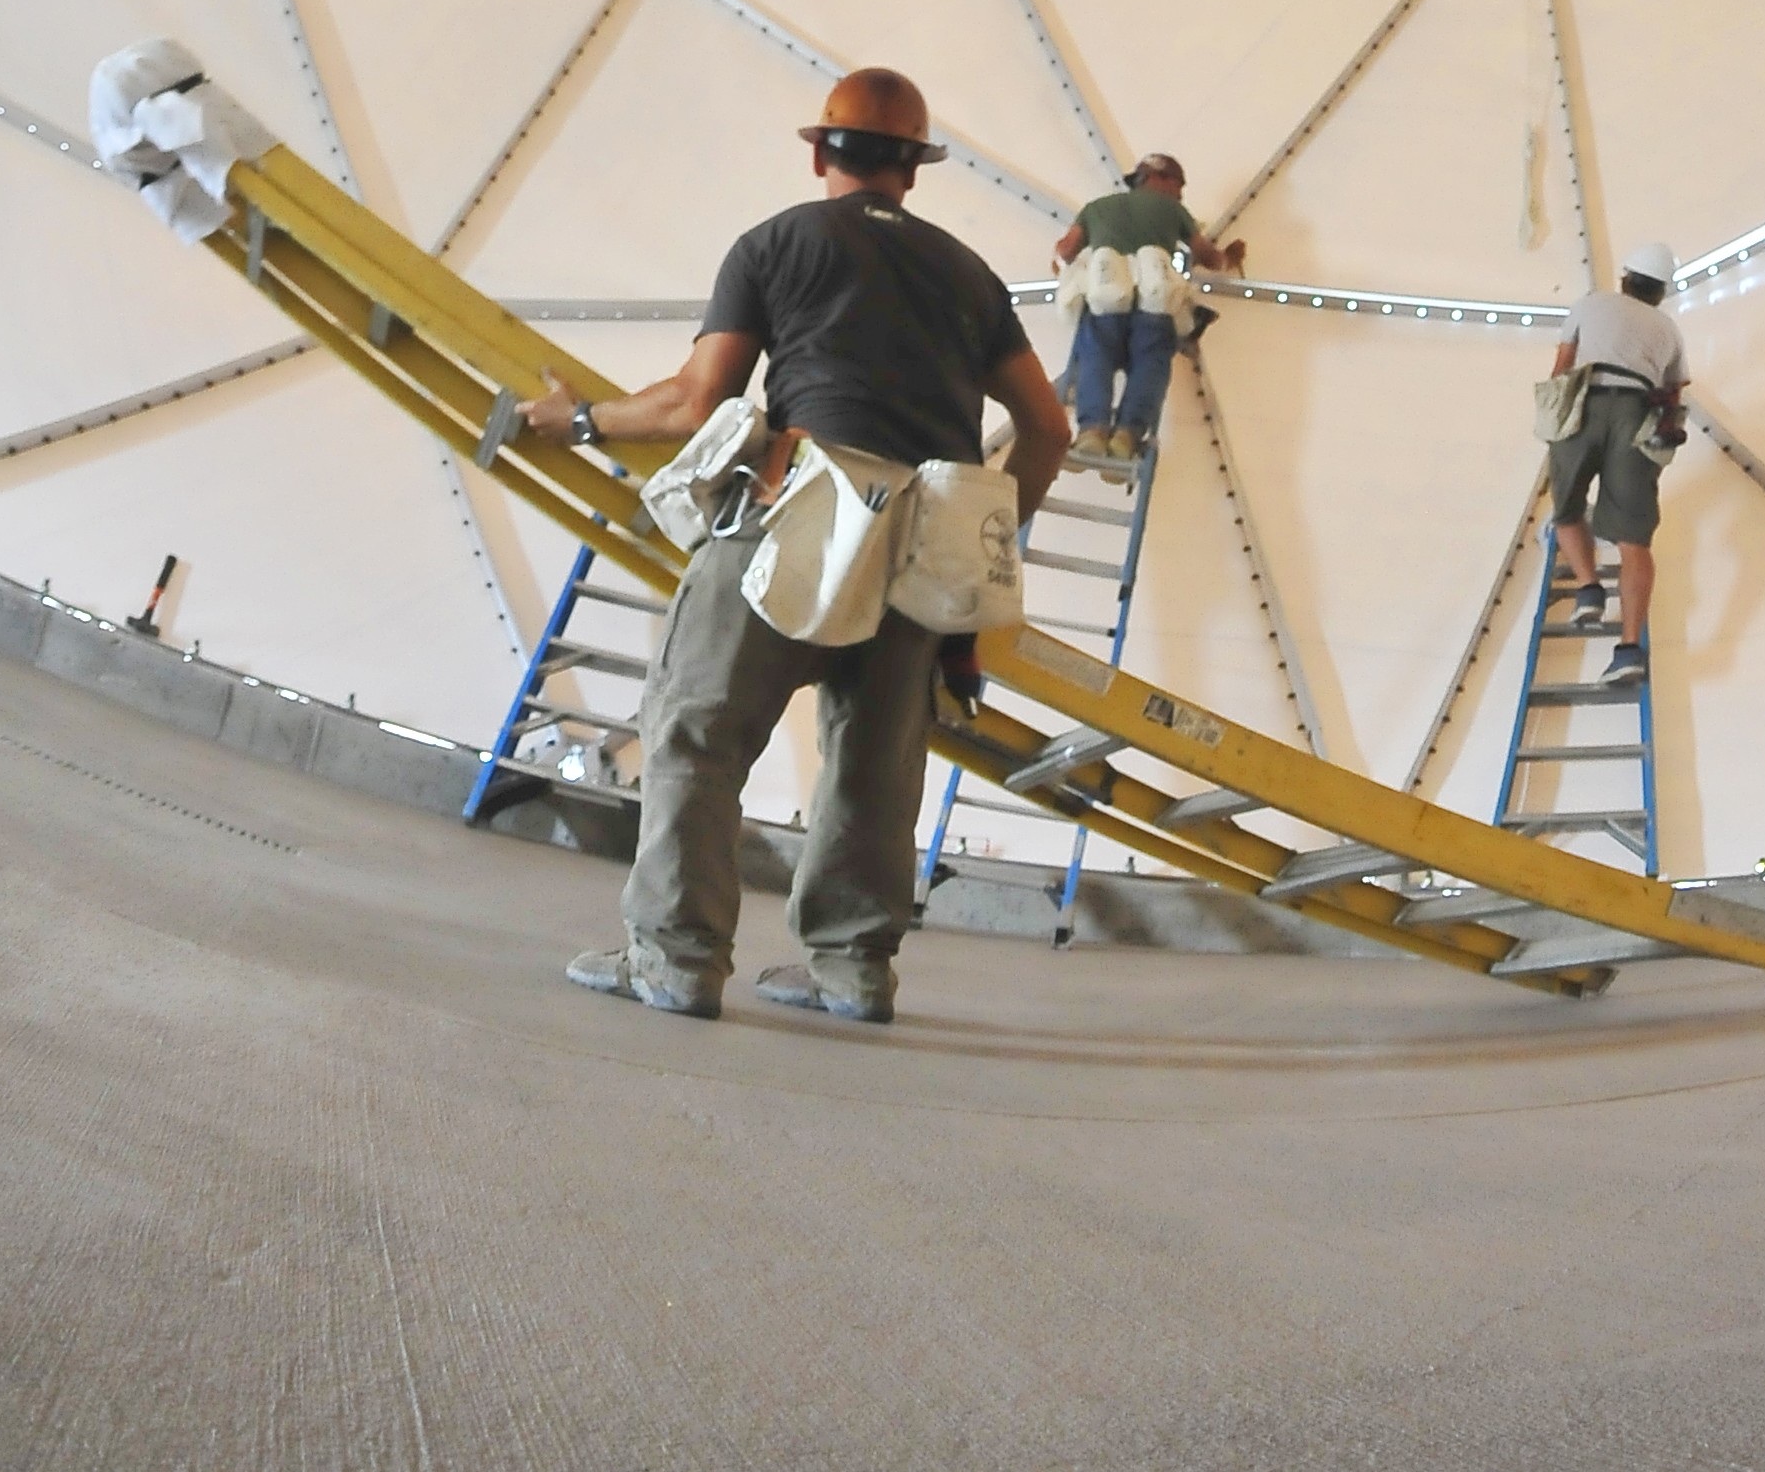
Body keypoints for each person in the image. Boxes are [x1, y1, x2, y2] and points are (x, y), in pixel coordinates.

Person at [517, 66, 1070, 1028]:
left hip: (799, 516)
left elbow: (695, 402)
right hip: (920, 548)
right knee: (875, 764)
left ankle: (677, 959)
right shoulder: (972, 278)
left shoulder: (778, 243)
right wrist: (978, 550)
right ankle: (854, 972)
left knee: (699, 730)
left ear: (821, 152)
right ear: (914, 169)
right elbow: (1049, 429)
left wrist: (581, 422)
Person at [1543, 244, 1686, 690]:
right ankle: (1627, 651)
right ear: (1661, 291)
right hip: (1638, 414)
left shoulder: (1590, 304)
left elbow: (1562, 367)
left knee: (1565, 508)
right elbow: (1674, 393)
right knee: (1634, 541)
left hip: (1586, 402)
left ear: (1625, 278)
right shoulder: (1669, 330)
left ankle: (1588, 589)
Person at [1048, 151, 1245, 462]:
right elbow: (1209, 256)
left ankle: (1092, 432)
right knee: (1150, 365)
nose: (1180, 193)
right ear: (1161, 179)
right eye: (1179, 184)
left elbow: (1066, 249)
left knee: (1094, 359)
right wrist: (1230, 259)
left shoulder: (1097, 208)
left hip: (1105, 297)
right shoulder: (1173, 209)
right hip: (1155, 301)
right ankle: (1127, 435)